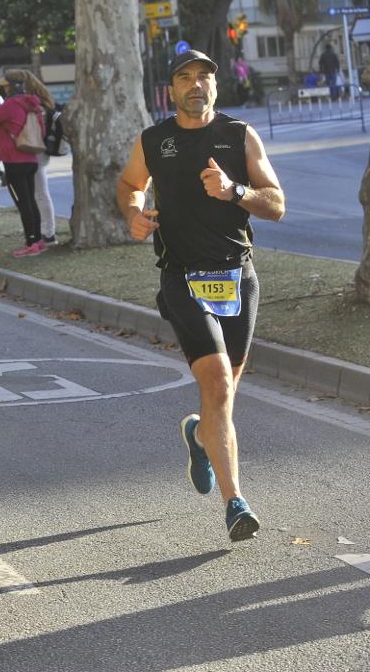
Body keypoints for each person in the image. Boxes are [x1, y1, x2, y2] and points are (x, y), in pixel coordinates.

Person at [117, 50, 285, 542]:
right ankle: (236, 503)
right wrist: (133, 212)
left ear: (216, 86)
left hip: (238, 277)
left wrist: (234, 191)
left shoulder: (239, 136)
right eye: (186, 77)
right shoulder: (155, 140)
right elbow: (130, 184)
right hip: (182, 276)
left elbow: (276, 203)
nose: (196, 85)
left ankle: (198, 435)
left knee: (222, 396)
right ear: (172, 89)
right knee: (217, 384)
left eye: (205, 77)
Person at [0, 72, 46, 257]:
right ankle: (38, 240)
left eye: (5, 86)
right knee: (31, 201)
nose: (3, 88)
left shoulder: (11, 105)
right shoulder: (33, 105)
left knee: (23, 203)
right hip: (30, 159)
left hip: (14, 161)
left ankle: (31, 242)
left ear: (11, 87)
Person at [20, 70, 60, 246]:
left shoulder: (35, 107)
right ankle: (46, 231)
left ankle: (48, 233)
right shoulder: (45, 104)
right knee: (40, 193)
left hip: (36, 151)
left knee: (41, 193)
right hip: (42, 150)